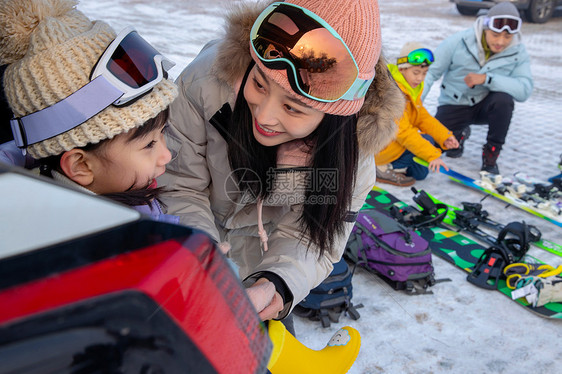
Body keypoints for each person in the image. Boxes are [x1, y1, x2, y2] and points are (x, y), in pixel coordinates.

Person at [159, 0, 404, 325]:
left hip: (259, 268)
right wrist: (201, 250)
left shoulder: (347, 159)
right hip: (181, 252)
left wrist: (276, 284)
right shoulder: (206, 83)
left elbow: (311, 234)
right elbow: (179, 184)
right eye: (259, 84)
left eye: (294, 108)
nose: (265, 115)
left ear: (334, 118)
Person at [422, 1, 533, 175]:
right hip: (454, 104)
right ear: (486, 27)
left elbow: (525, 90)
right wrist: (413, 106)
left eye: (507, 37)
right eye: (496, 35)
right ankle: (459, 134)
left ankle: (491, 156)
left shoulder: (518, 52)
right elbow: (429, 73)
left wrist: (488, 79)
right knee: (430, 148)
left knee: (504, 100)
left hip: (485, 106)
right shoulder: (459, 41)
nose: (501, 42)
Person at [375, 42, 459, 187]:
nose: (420, 78)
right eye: (416, 72)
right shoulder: (393, 92)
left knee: (420, 174)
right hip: (380, 149)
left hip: (393, 144)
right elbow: (404, 133)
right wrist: (432, 155)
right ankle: (381, 169)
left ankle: (398, 166)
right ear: (402, 69)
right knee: (426, 141)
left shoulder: (410, 87)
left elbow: (422, 117)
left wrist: (444, 136)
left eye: (424, 73)